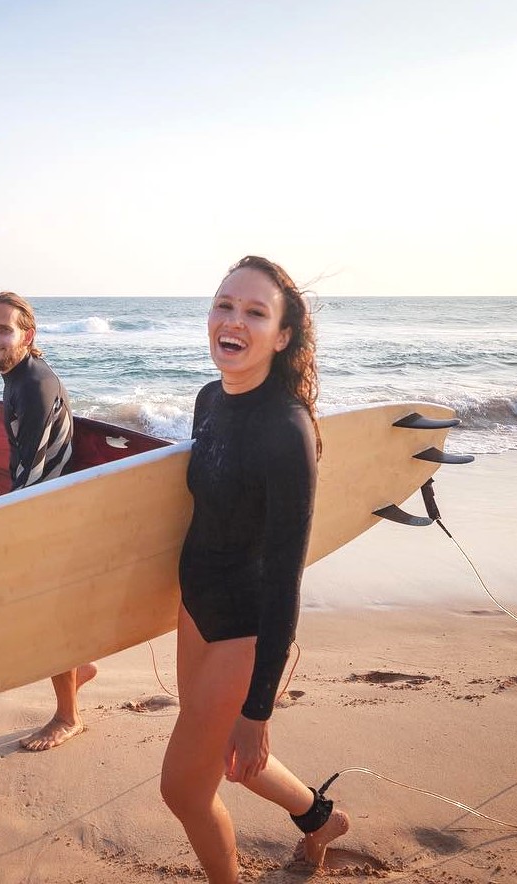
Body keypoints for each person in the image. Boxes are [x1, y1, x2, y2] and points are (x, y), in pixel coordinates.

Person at [159, 256, 350, 880]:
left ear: (283, 335)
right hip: (196, 607)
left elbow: (285, 578)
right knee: (225, 756)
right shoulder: (209, 399)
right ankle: (319, 818)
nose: (233, 321)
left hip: (245, 627)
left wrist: (258, 708)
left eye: (254, 312)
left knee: (184, 791)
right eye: (224, 305)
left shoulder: (287, 430)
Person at [0, 291, 97, 751]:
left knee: (49, 621)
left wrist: (6, 530)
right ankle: (79, 669)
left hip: (49, 514)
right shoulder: (20, 376)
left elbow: (34, 470)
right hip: (49, 505)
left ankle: (69, 717)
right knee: (50, 615)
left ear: (27, 336)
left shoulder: (32, 386)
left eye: (3, 330)